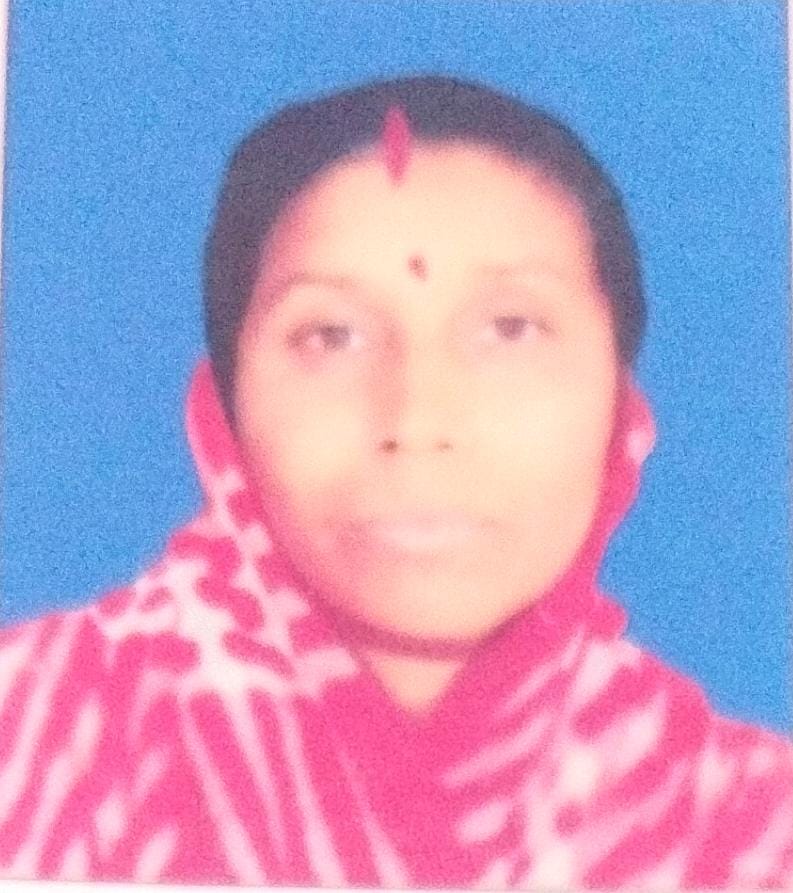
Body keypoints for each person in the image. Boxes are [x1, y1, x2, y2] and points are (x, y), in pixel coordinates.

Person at [1, 74, 791, 889]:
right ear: (220, 415)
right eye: (330, 335)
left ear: (620, 412)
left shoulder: (747, 823)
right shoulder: (29, 736)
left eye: (510, 328)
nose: (416, 420)